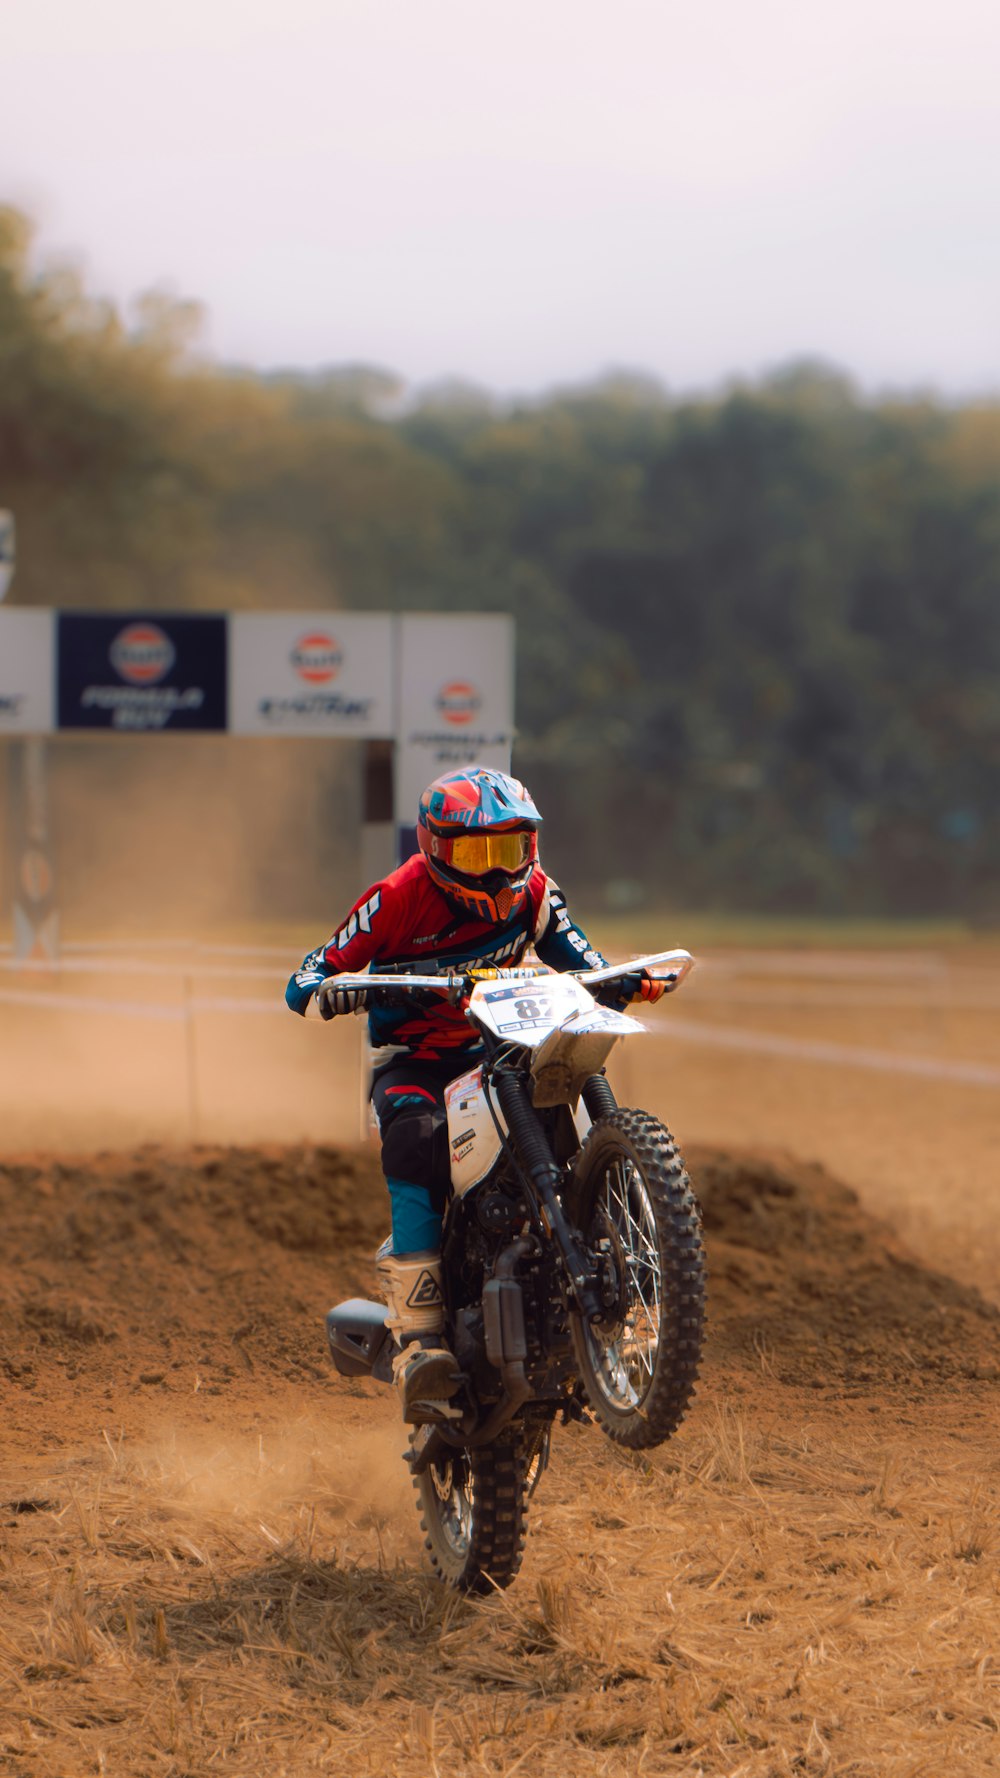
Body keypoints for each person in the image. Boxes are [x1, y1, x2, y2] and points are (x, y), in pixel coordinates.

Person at [286, 764, 666, 1424]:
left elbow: (584, 961)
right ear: (434, 849)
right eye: (476, 853)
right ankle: (421, 1339)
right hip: (418, 1061)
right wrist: (335, 987)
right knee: (413, 1143)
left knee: (574, 1072)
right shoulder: (397, 897)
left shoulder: (537, 894)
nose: (495, 873)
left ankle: (636, 1272)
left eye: (510, 851)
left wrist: (623, 982)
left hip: (504, 1047)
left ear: (532, 849)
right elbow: (307, 977)